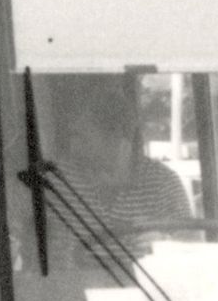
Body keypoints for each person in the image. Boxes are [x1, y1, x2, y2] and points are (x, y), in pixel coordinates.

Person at [40, 74, 191, 231]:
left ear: (115, 136)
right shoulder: (59, 181)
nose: (73, 147)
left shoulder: (163, 185)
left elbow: (188, 248)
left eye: (82, 138)